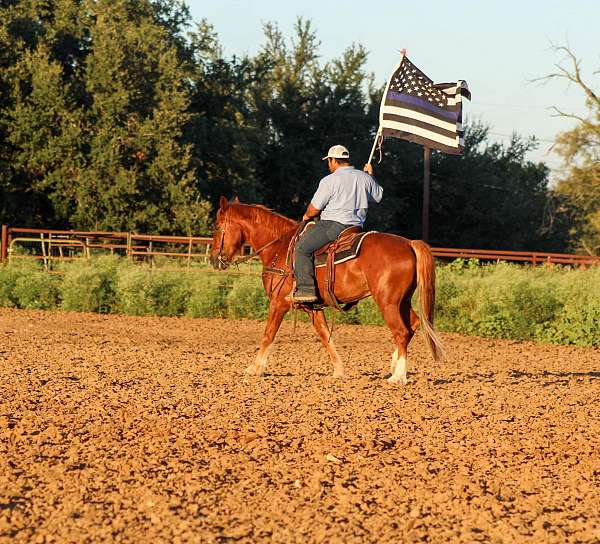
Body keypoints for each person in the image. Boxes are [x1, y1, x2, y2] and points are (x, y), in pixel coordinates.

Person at [292, 144, 383, 303]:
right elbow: (378, 197)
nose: (329, 165)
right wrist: (371, 175)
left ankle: (306, 290)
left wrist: (306, 216)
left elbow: (314, 209)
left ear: (334, 160)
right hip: (356, 228)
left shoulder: (329, 180)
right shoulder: (364, 177)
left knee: (301, 248)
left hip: (333, 226)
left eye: (329, 161)